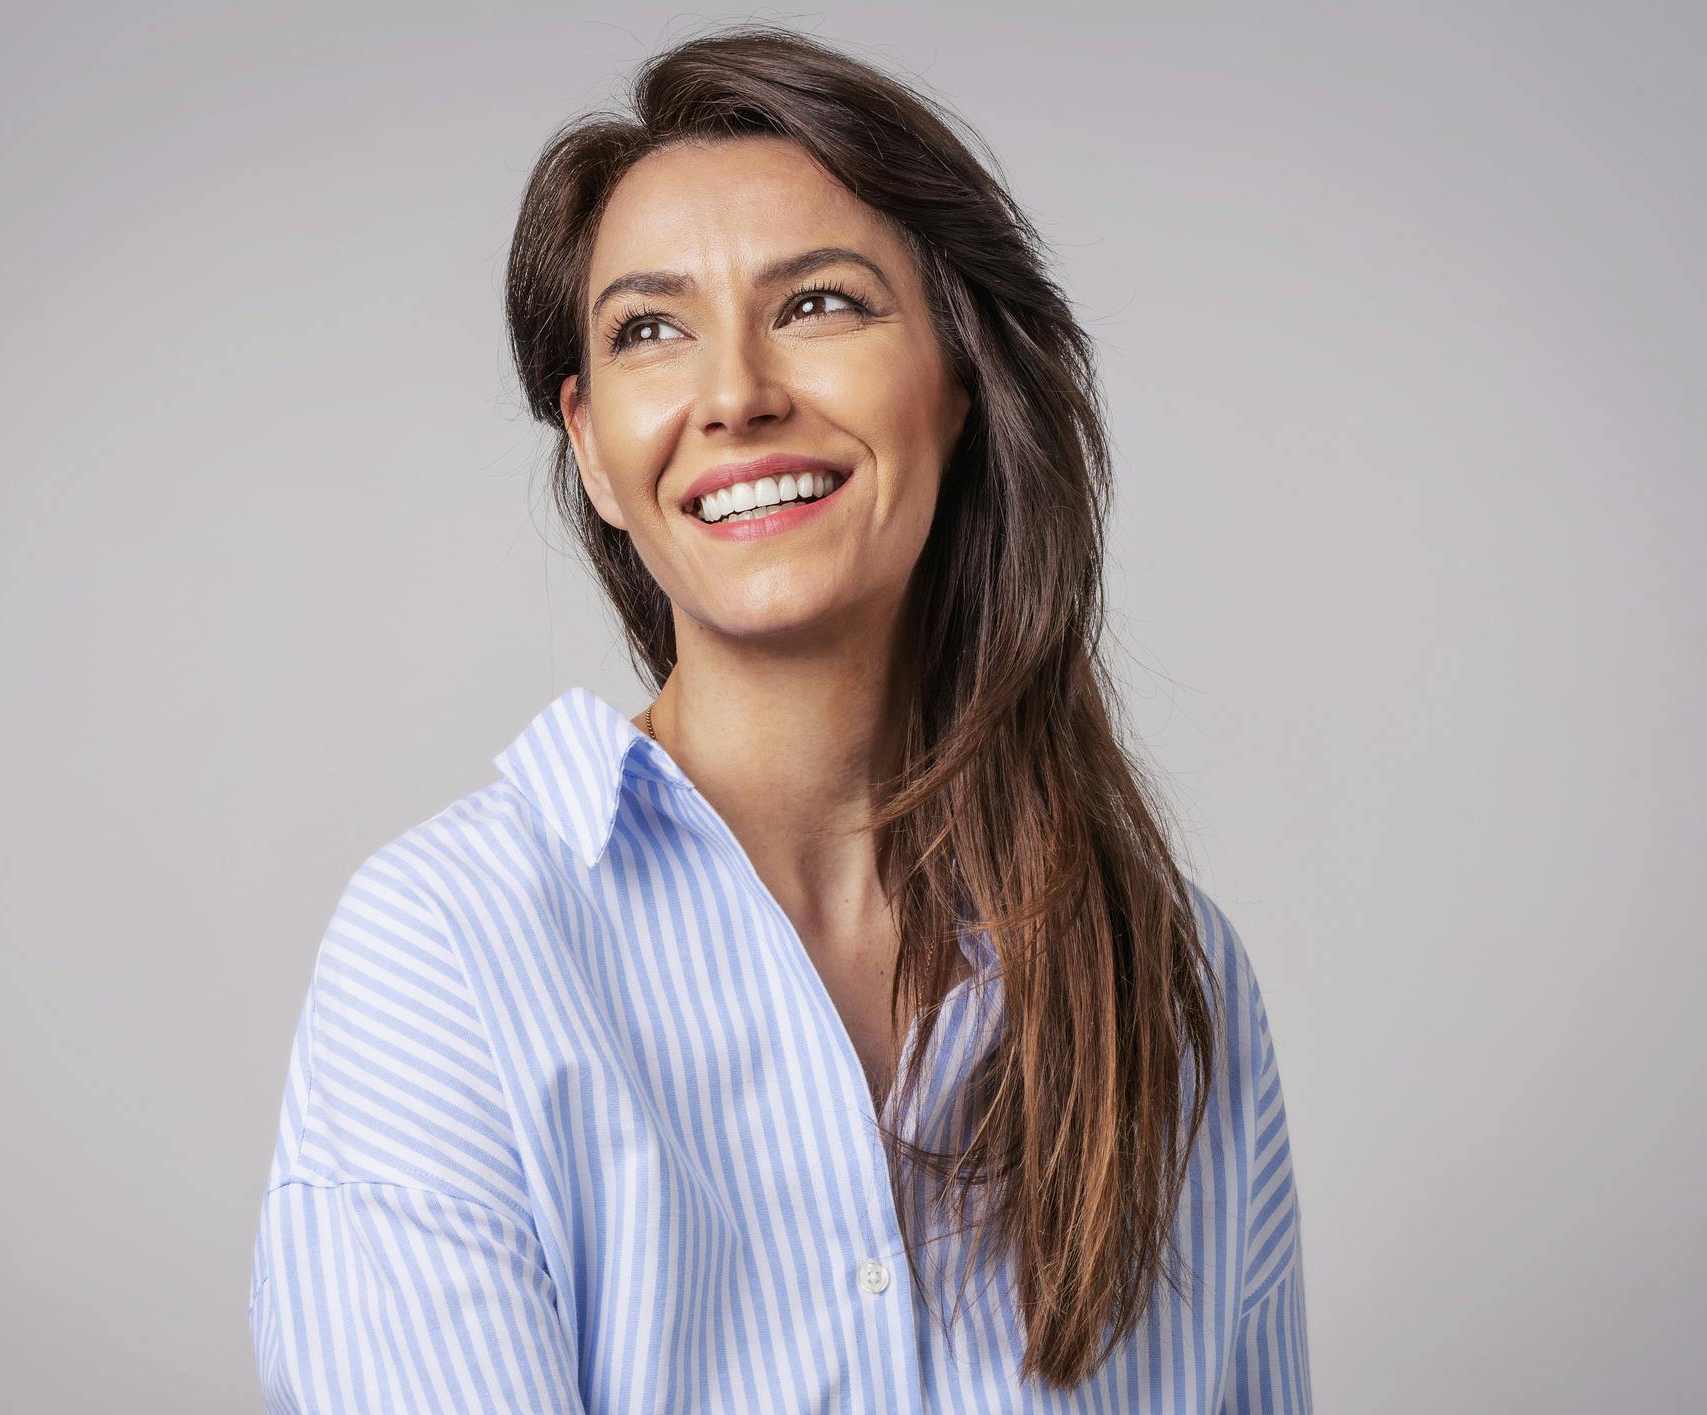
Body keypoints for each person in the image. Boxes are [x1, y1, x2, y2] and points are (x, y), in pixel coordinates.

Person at [250, 23, 1309, 1413]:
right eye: (649, 330)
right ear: (593, 451)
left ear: (961, 384)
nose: (737, 393)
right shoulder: (446, 953)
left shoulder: (1170, 983)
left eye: (819, 304)